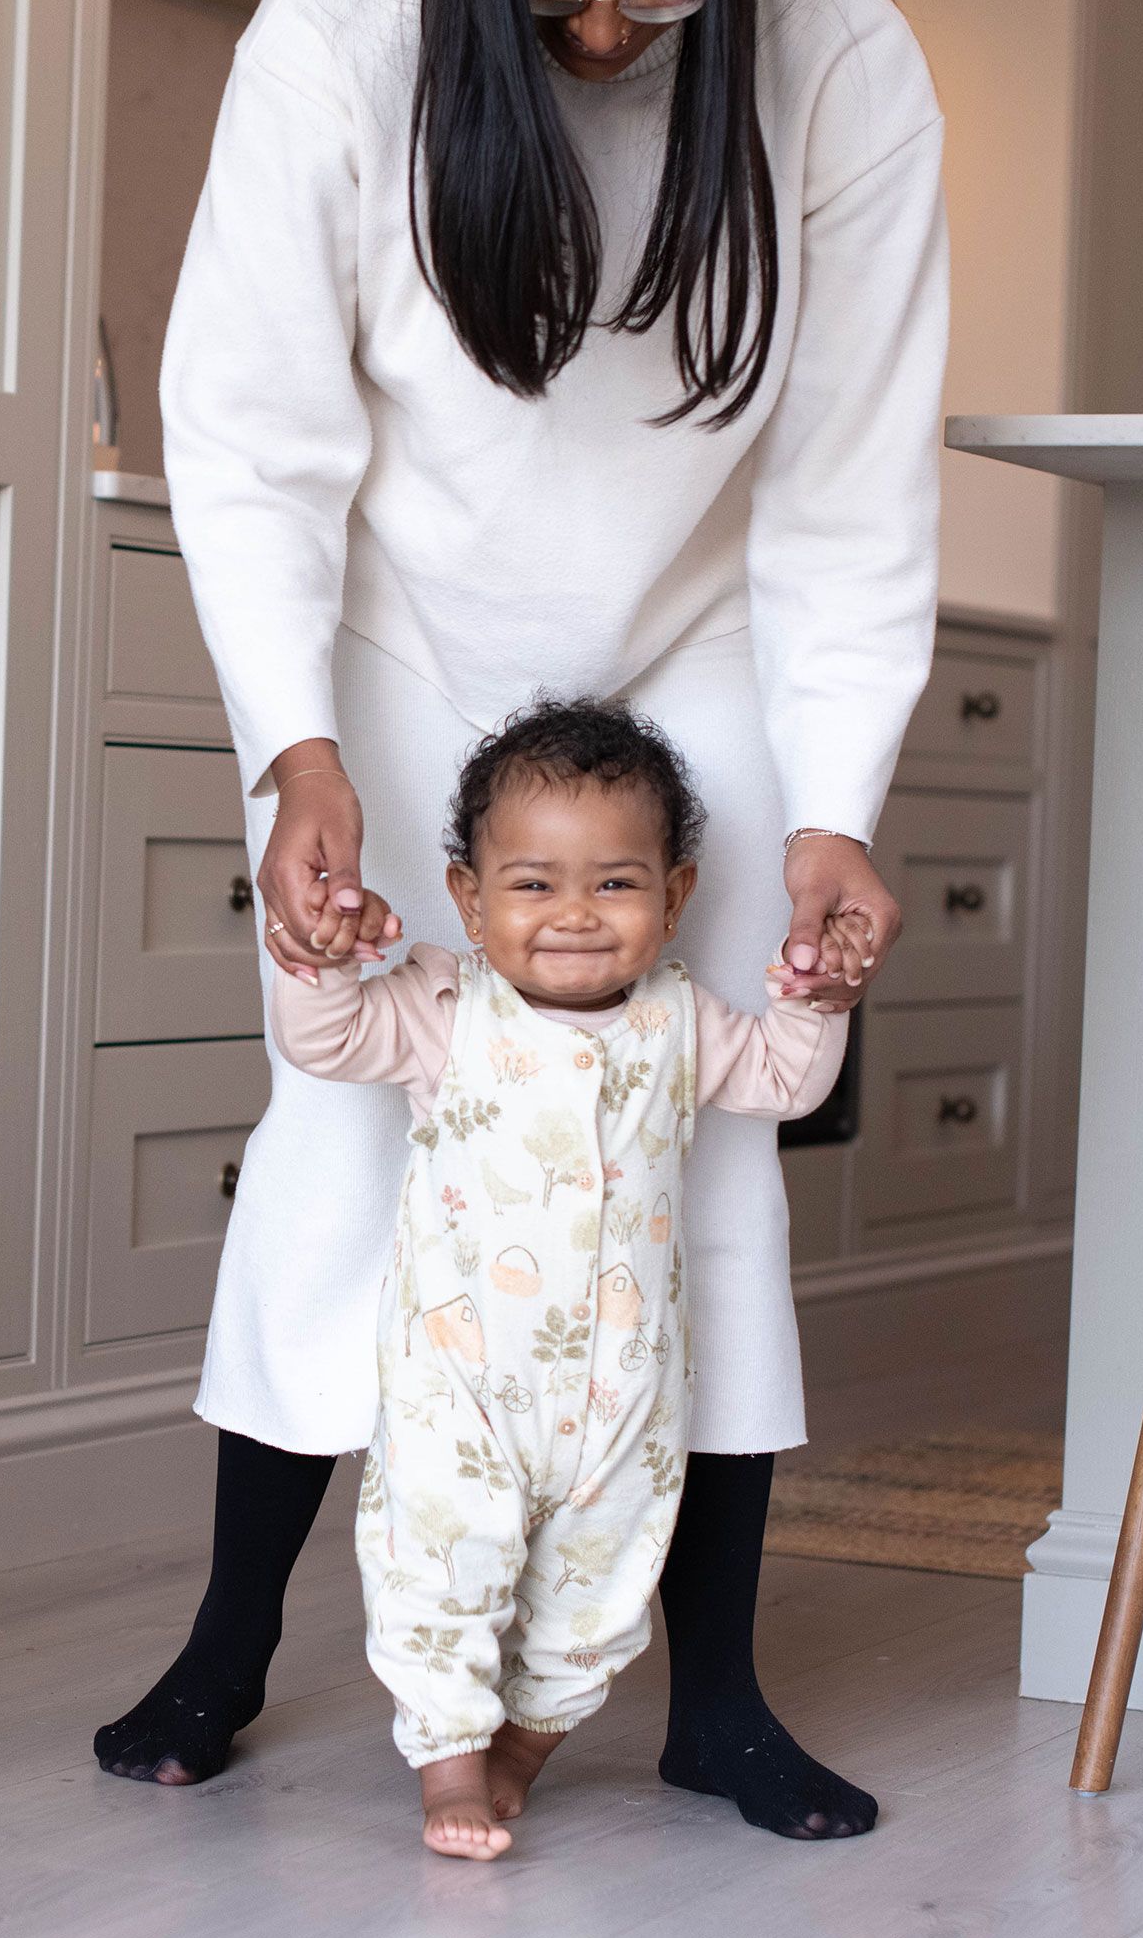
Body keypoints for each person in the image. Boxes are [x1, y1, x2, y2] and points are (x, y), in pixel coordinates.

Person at [95, 0, 947, 1843]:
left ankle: (716, 1698)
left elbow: (852, 483)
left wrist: (832, 799)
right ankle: (230, 1642)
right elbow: (251, 434)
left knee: (697, 1140)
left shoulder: (838, 53)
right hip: (395, 649)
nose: (604, 27)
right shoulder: (346, 12)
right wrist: (287, 740)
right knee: (344, 1122)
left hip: (690, 643)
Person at [273, 700, 851, 1859]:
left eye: (617, 885)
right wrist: (319, 965)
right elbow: (325, 1043)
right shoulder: (446, 1009)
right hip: (461, 1386)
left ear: (677, 896)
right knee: (439, 1563)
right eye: (533, 886)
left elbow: (789, 1083)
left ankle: (525, 1747)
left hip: (624, 1398)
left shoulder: (683, 1021)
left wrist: (819, 997)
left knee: (601, 1590)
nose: (575, 916)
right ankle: (447, 1770)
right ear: (468, 898)